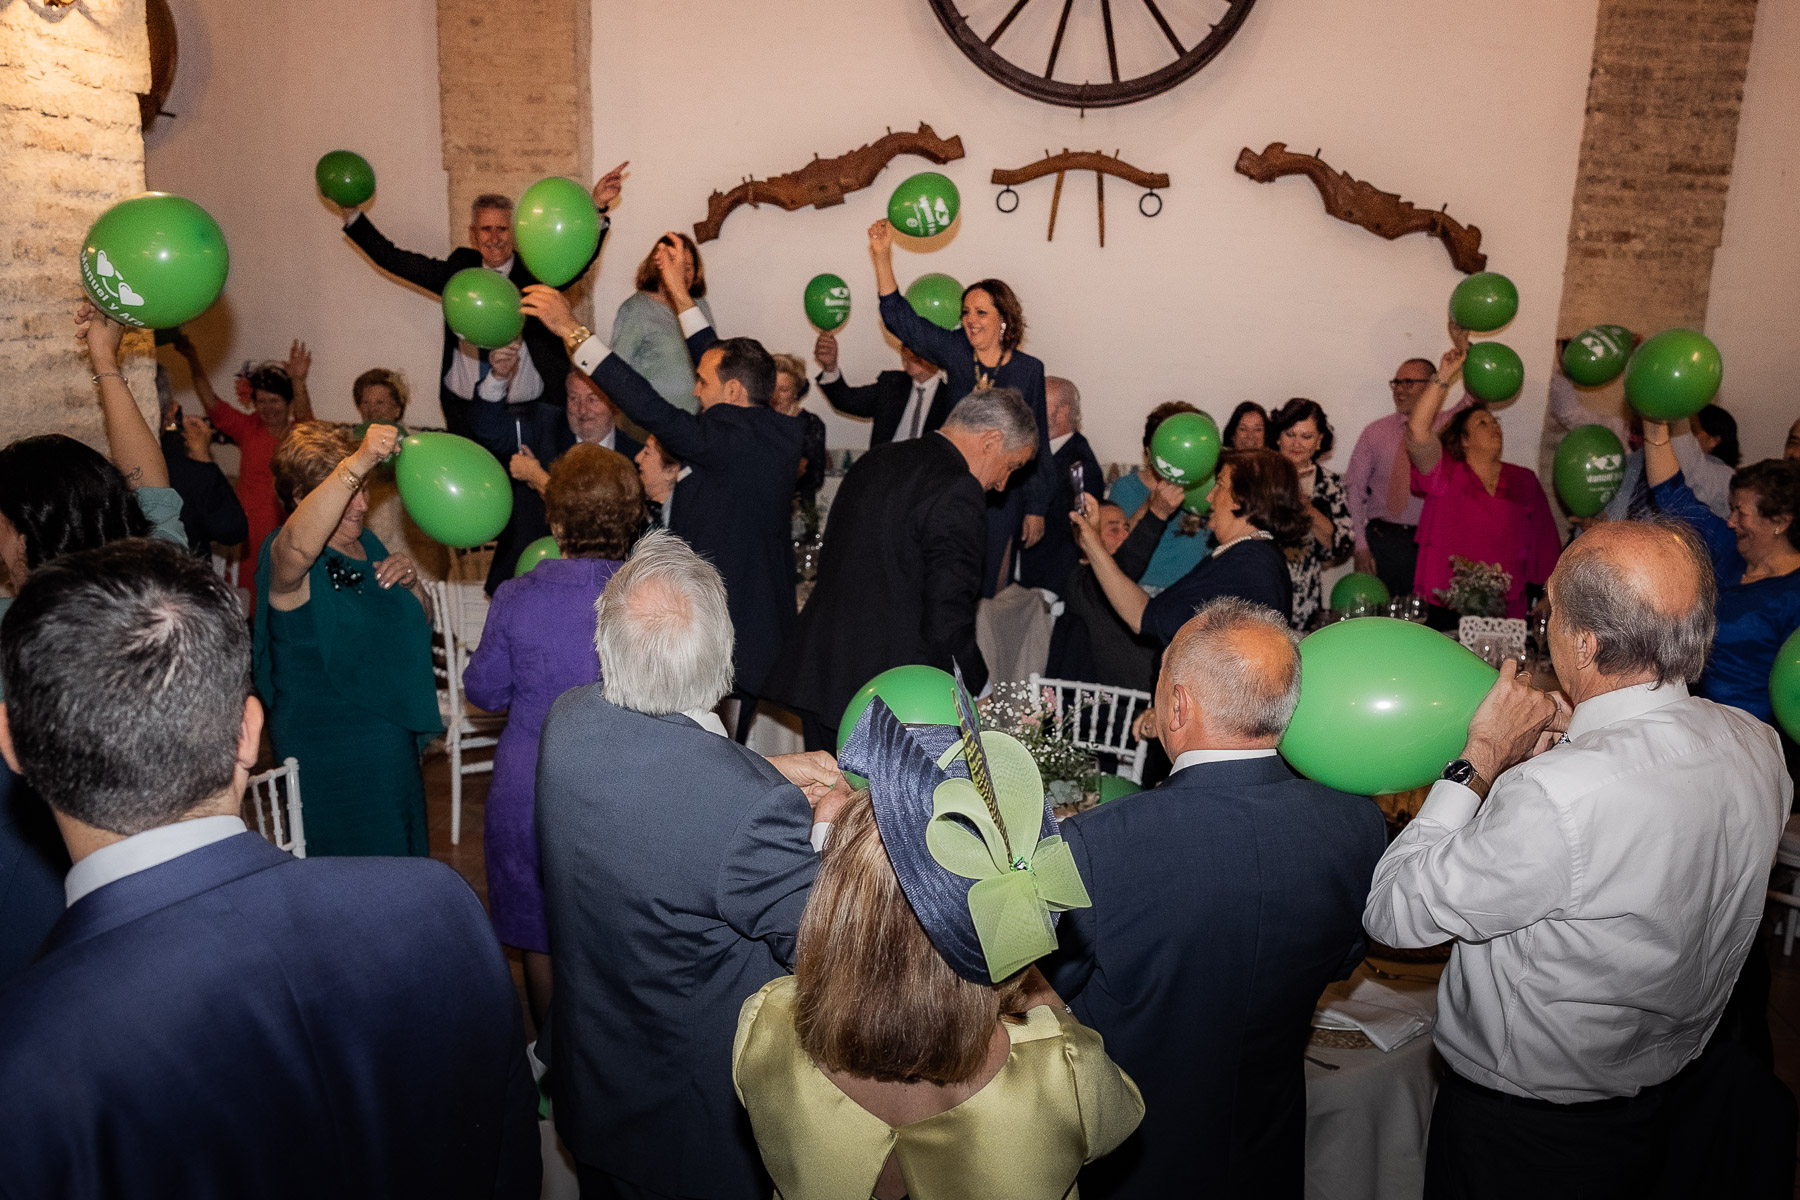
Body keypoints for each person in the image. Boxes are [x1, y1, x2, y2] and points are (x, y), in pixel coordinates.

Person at [0, 539, 539, 1197]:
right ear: (249, 732)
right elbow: (511, 1164)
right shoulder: (443, 907)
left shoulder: (25, 1058)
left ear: (11, 742)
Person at [1365, 519, 1792, 1198]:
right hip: (1670, 1099)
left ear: (1585, 642)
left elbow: (1394, 914)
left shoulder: (1556, 795)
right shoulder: (1756, 743)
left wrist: (1480, 757)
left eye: (1554, 613)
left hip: (1529, 1137)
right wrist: (1575, 744)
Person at [534, 531, 850, 1200]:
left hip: (593, 1085)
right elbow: (829, 949)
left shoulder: (567, 723)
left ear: (607, 645)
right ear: (723, 659)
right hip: (686, 1130)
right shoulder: (749, 814)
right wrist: (825, 831)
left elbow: (661, 782)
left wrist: (760, 770)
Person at [1046, 598, 1385, 1198]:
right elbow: (1341, 960)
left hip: (1134, 1165)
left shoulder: (1098, 844)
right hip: (1268, 1154)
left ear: (1178, 705)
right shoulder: (1355, 825)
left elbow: (1039, 993)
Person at [736, 702, 1143, 1199]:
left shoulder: (766, 1025)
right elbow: (1120, 1119)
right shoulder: (1061, 1071)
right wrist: (1025, 970)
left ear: (834, 900)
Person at [521, 274, 802, 743]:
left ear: (733, 392)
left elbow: (648, 406)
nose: (695, 392)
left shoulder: (725, 438)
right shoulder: (776, 434)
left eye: (702, 383)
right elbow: (720, 359)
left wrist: (573, 330)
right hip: (758, 627)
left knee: (711, 755)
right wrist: (680, 294)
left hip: (728, 640)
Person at [0, 303, 193, 981]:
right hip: (161, 865)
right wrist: (106, 360)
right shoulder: (154, 583)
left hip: (34, 879)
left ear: (24, 527)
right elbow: (153, 489)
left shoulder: (15, 626)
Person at [464, 445, 643, 1033]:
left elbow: (485, 691)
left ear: (557, 521)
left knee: (538, 934)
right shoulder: (646, 597)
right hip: (624, 785)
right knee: (617, 933)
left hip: (531, 785)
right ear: (631, 517)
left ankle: (551, 1063)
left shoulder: (517, 596)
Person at [765, 388, 1040, 752]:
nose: (1003, 484)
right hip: (891, 697)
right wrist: (979, 690)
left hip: (826, 674)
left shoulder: (877, 458)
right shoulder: (958, 488)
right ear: (991, 441)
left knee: (825, 787)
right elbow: (947, 617)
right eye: (1012, 466)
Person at [257, 423, 442, 857]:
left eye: (365, 489)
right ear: (301, 497)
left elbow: (420, 622)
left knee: (399, 859)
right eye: (350, 491)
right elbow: (299, 549)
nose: (362, 504)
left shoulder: (368, 543)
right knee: (349, 869)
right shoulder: (284, 554)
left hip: (390, 736)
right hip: (327, 743)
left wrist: (413, 585)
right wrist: (360, 459)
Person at [336, 165, 624, 434]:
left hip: (527, 413)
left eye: (502, 229)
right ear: (473, 235)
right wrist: (351, 213)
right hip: (464, 410)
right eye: (486, 229)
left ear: (516, 233)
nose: (494, 238)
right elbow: (394, 259)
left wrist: (596, 208)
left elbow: (577, 263)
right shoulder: (459, 271)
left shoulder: (535, 272)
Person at [865, 218, 1053, 597]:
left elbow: (1037, 444)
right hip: (953, 488)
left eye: (981, 312)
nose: (970, 320)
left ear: (1004, 319)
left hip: (1003, 497)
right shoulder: (956, 351)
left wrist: (1036, 507)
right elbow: (902, 320)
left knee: (988, 587)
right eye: (966, 312)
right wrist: (882, 256)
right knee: (947, 579)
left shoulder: (1028, 369)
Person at [1644, 432, 1800, 735]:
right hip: (1689, 724)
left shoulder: (1794, 594)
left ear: (1780, 521)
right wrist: (1655, 431)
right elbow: (1672, 496)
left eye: (1741, 513)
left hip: (1750, 738)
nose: (1730, 521)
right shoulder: (1730, 549)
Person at [1074, 448, 1304, 647]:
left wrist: (1092, 543)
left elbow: (1143, 618)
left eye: (1219, 486)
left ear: (1242, 498)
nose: (1209, 497)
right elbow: (1148, 613)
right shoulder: (1250, 554)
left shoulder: (1247, 565)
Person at [1406, 332, 1560, 622]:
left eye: (1495, 422)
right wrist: (1444, 374)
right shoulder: (1445, 472)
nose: (1494, 427)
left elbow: (1545, 542)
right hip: (1445, 604)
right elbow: (1417, 432)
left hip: (1506, 608)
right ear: (1463, 440)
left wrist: (1549, 593)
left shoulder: (1524, 480)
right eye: (1482, 423)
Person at [470, 368, 641, 595]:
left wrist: (538, 477)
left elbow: (598, 520)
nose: (582, 410)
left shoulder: (636, 457)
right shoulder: (544, 424)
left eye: (593, 399)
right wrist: (499, 376)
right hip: (522, 579)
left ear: (615, 404)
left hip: (605, 592)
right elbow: (488, 430)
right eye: (573, 398)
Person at [173, 333, 312, 605]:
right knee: (246, 594)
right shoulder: (249, 427)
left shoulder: (298, 433)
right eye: (262, 401)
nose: (267, 408)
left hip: (285, 527)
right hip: (246, 528)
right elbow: (211, 402)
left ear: (288, 403)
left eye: (274, 401)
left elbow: (306, 417)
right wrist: (193, 360)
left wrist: (297, 380)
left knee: (280, 594)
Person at [1344, 354, 1467, 598]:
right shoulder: (1374, 432)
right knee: (1378, 616)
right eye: (1396, 383)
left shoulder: (1450, 426)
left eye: (1408, 383)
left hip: (1429, 543)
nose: (1399, 390)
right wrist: (1360, 546)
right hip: (1381, 542)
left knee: (1423, 615)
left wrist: (1462, 352)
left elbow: (1476, 396)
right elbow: (1353, 491)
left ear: (1431, 385)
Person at [1045, 500, 1162, 694]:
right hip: (1103, 706)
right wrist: (1158, 513)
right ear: (1086, 538)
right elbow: (1127, 561)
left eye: (1126, 528)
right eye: (1114, 530)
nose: (1125, 536)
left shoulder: (1124, 586)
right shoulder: (1083, 584)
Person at [1107, 401, 1212, 590]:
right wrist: (1152, 505)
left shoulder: (1205, 485)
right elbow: (1116, 551)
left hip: (1194, 590)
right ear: (1149, 450)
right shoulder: (1126, 488)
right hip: (1142, 590)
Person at [1018, 376, 1105, 600]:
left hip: (1047, 586)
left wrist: (1050, 595)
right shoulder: (1026, 450)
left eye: (1039, 403)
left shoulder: (1081, 465)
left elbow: (1078, 533)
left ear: (1062, 412)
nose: (1030, 410)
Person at [1269, 397, 1353, 628]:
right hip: (1262, 585)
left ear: (1319, 441)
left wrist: (1305, 506)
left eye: (1306, 436)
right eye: (1290, 434)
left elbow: (1341, 544)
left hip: (1304, 596)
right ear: (1278, 436)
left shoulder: (1330, 483)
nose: (1297, 443)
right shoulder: (1260, 476)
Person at [610, 231, 714, 414]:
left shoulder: (700, 306)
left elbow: (712, 358)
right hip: (651, 419)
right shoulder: (635, 309)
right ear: (658, 267)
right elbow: (617, 370)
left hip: (695, 418)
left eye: (688, 268)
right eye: (676, 266)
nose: (682, 275)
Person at [157, 369, 248, 557]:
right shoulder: (187, 471)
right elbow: (232, 529)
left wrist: (171, 424)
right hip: (180, 569)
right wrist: (202, 457)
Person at [813, 328, 951, 447]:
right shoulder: (891, 384)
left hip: (930, 469)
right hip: (885, 466)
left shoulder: (951, 394)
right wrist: (830, 367)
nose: (909, 352)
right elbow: (846, 401)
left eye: (917, 346)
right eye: (906, 345)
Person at [1600, 406, 1735, 522]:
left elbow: (1690, 469)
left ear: (1712, 441)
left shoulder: (1723, 477)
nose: (1674, 435)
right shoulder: (1632, 462)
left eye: (1692, 431)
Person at [772, 352, 827, 505]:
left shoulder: (811, 424)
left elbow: (815, 478)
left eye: (783, 390)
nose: (775, 396)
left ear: (796, 391)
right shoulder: (755, 419)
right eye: (771, 387)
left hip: (797, 506)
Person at [636, 435, 683, 529]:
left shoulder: (682, 524)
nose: (637, 458)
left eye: (647, 453)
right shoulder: (635, 513)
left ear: (670, 472)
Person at [351, 366, 409, 431]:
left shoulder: (410, 437)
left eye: (379, 402)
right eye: (365, 402)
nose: (372, 409)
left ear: (397, 410)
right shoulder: (349, 435)